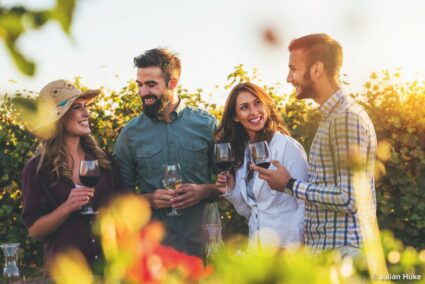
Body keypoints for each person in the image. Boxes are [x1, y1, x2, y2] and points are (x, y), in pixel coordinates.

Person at [252, 34, 377, 256]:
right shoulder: (332, 117)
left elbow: (349, 199)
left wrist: (290, 184)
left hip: (343, 252)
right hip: (331, 250)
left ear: (316, 70)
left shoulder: (345, 118)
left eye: (293, 69)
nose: (288, 78)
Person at [113, 48, 219, 257]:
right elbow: (118, 197)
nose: (143, 92)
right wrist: (149, 200)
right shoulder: (130, 133)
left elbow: (232, 183)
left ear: (173, 83)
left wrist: (204, 191)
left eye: (151, 85)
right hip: (157, 254)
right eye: (140, 85)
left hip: (204, 247)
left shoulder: (207, 125)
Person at [21, 80, 125, 271]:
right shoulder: (37, 170)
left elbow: (122, 208)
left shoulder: (105, 161)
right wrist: (67, 207)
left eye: (86, 106)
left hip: (109, 270)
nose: (87, 113)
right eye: (77, 107)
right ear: (58, 118)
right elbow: (35, 229)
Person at [215, 82, 308, 249]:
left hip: (286, 253)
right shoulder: (243, 154)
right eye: (244, 107)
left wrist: (289, 248)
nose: (254, 112)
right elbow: (251, 212)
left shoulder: (287, 147)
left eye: (258, 103)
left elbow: (306, 204)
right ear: (235, 116)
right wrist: (231, 191)